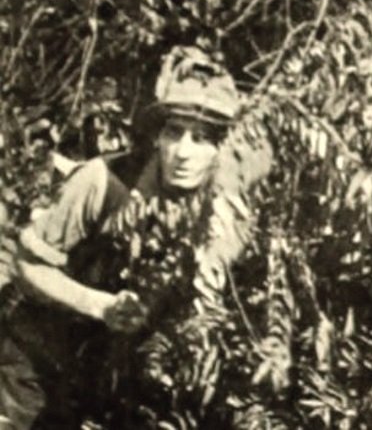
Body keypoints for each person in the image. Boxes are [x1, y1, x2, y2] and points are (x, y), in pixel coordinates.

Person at [0, 46, 257, 429]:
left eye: (202, 138)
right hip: (36, 353)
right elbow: (27, 264)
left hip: (108, 370)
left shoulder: (226, 208)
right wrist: (98, 304)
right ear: (157, 136)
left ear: (223, 149)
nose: (183, 152)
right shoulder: (103, 181)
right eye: (174, 132)